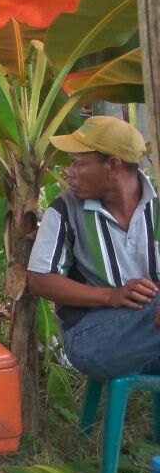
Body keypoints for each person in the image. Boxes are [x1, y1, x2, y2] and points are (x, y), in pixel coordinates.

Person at [27, 116, 160, 380]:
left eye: (79, 164)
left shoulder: (156, 206)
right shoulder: (65, 208)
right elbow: (38, 280)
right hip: (94, 339)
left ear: (112, 165)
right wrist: (110, 296)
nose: (69, 172)